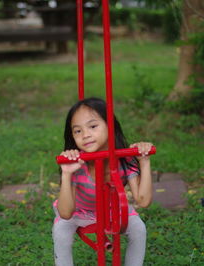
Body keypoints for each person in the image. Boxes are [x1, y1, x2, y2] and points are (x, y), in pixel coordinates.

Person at [52, 97, 154, 266]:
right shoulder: (78, 163)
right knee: (61, 231)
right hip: (80, 212)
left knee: (138, 229)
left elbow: (143, 201)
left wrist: (144, 161)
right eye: (77, 131)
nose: (85, 135)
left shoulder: (124, 159)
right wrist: (67, 174)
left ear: (110, 126)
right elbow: (65, 213)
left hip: (113, 210)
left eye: (93, 126)